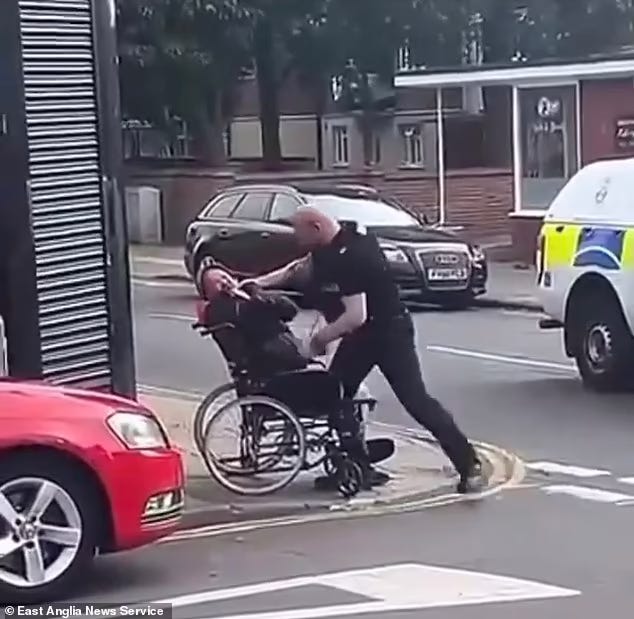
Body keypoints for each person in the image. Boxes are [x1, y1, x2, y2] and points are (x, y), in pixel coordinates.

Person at [241, 207, 484, 493]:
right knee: (335, 392)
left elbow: (356, 315)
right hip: (362, 335)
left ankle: (468, 463)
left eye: (299, 231)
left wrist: (319, 340)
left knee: (415, 399)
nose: (296, 237)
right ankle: (356, 465)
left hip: (389, 333)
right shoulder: (333, 241)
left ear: (316, 227)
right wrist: (261, 282)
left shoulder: (354, 257)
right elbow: (300, 267)